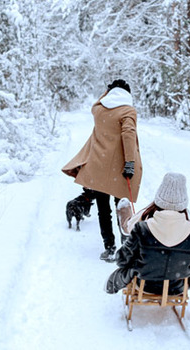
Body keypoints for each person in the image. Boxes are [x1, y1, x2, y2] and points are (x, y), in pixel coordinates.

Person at [62, 79, 143, 262]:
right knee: (122, 208)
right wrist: (129, 162)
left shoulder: (98, 110)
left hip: (98, 167)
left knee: (103, 210)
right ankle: (126, 247)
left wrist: (107, 92)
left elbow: (101, 99)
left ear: (109, 92)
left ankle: (109, 247)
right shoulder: (128, 111)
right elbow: (128, 135)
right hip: (119, 169)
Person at [105, 172, 190, 295]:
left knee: (130, 262)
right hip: (177, 287)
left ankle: (126, 223)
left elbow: (121, 260)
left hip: (144, 284)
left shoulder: (142, 229)